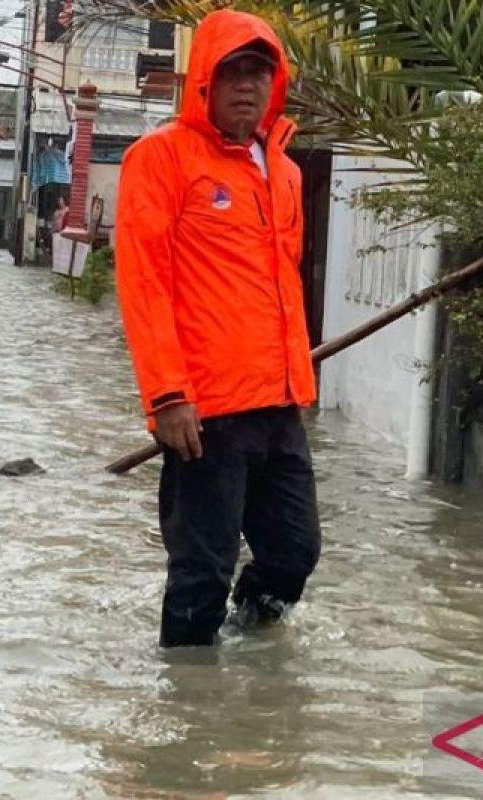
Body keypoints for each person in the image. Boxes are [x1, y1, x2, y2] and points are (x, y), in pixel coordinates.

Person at [115, 9, 321, 648]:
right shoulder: (161, 159)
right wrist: (168, 396)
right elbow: (144, 285)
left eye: (259, 73)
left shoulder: (284, 171)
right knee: (200, 572)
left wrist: (297, 379)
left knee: (294, 554)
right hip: (204, 414)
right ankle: (189, 707)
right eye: (231, 72)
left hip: (280, 403)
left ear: (275, 83)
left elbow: (282, 285)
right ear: (203, 80)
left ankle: (246, 647)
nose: (246, 86)